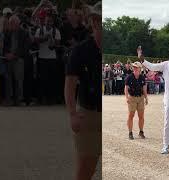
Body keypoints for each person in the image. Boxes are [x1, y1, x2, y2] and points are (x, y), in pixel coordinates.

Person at [64, 1, 101, 180]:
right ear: (94, 23)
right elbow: (70, 84)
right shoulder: (80, 51)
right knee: (86, 169)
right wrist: (72, 113)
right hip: (90, 114)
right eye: (97, 21)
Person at [124, 61, 148, 140]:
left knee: (141, 116)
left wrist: (146, 97)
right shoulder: (129, 77)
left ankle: (141, 132)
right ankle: (130, 133)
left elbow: (144, 88)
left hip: (140, 98)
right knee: (131, 115)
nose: (134, 68)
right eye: (134, 67)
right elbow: (126, 88)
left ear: (140, 69)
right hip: (132, 98)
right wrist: (127, 98)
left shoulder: (142, 77)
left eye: (136, 67)